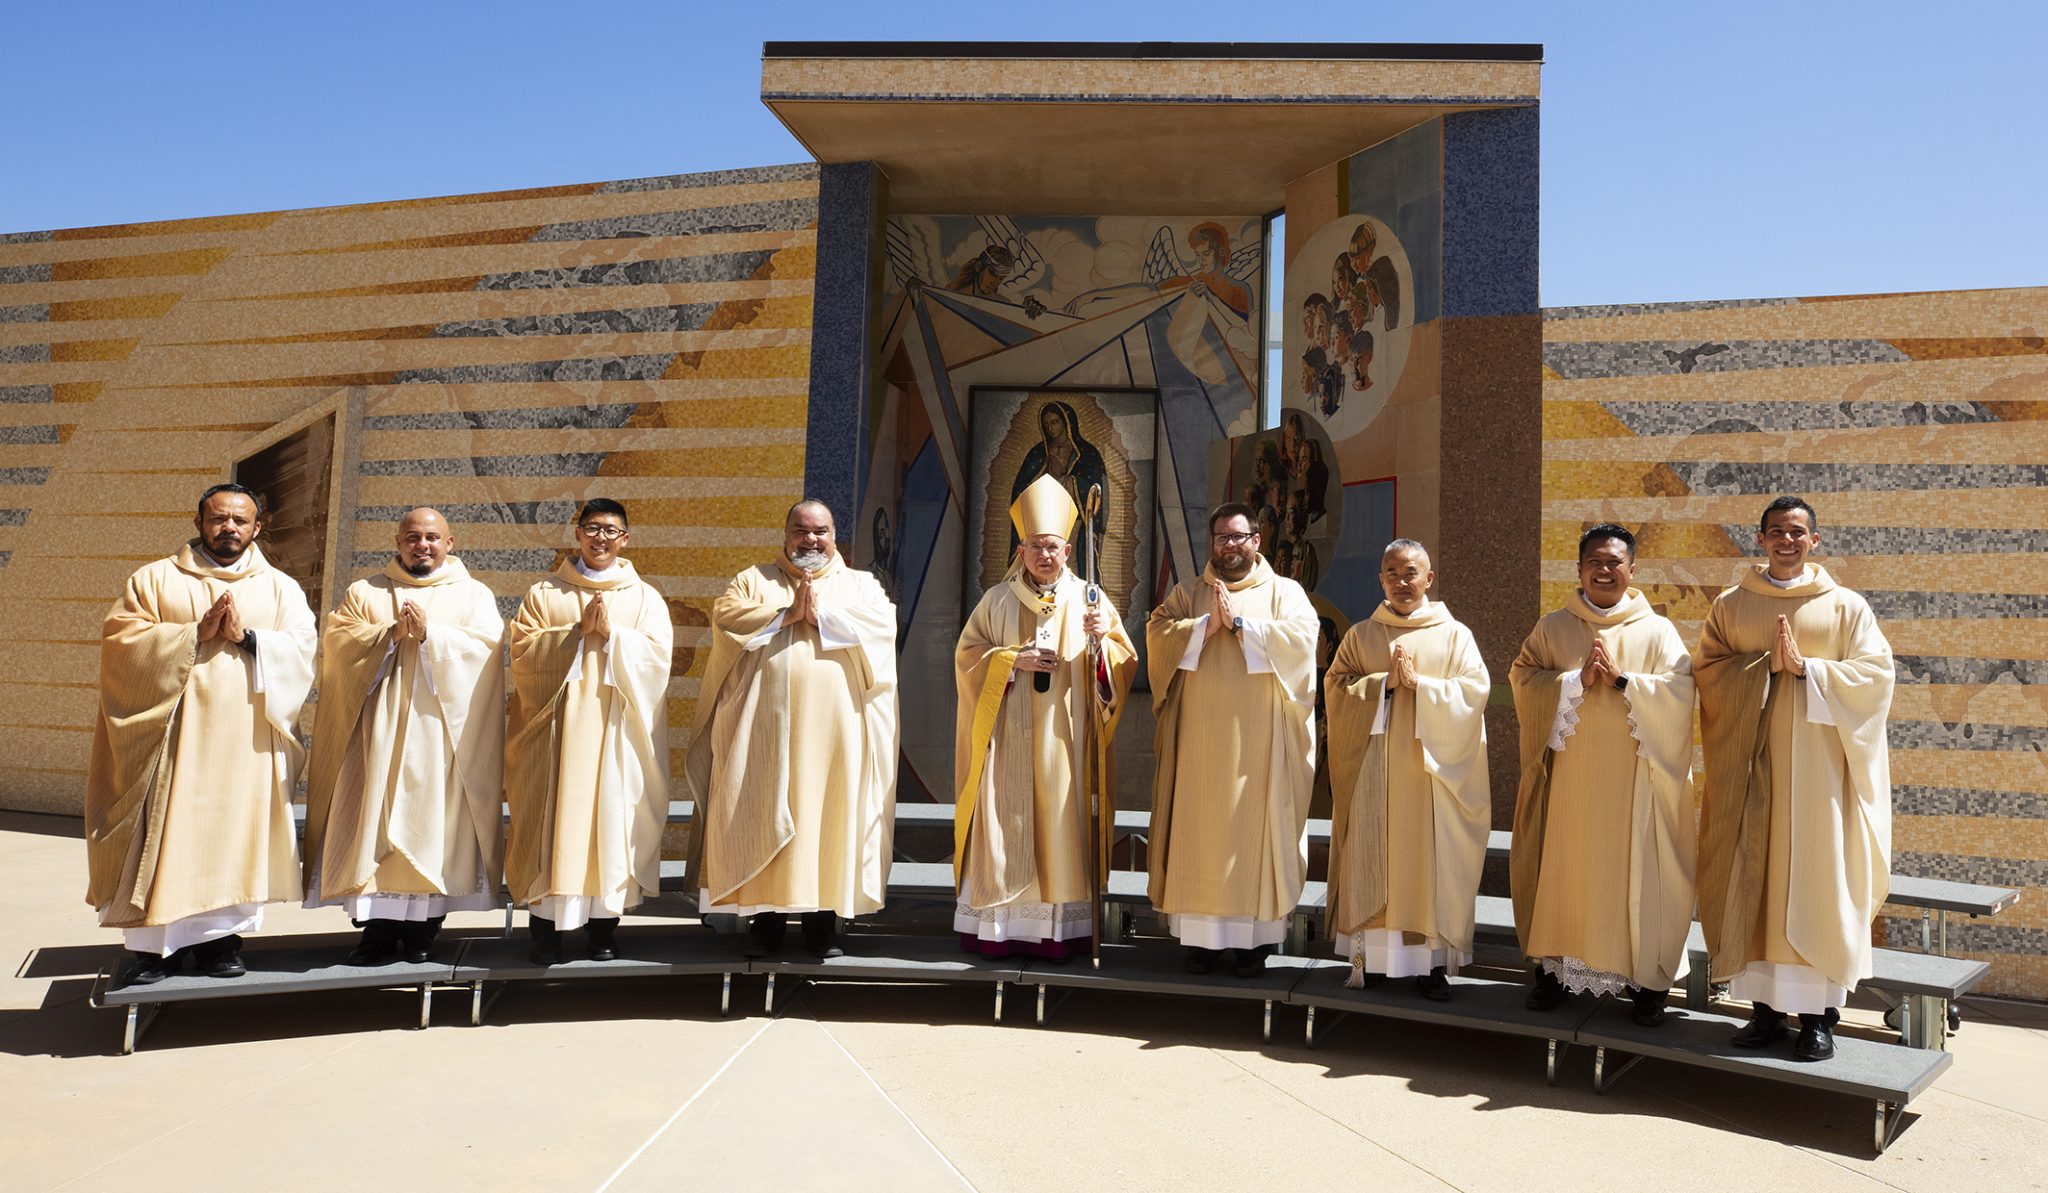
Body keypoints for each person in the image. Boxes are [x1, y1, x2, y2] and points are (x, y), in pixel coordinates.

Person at [85, 484, 317, 984]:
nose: (228, 528)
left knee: (231, 838)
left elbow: (302, 652)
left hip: (244, 743)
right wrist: (194, 634)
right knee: (163, 835)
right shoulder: (153, 580)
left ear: (258, 528)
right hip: (172, 741)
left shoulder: (279, 588)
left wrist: (245, 637)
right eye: (218, 519)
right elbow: (121, 643)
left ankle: (221, 945)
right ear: (198, 523)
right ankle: (154, 951)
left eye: (240, 521)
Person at [1698, 496, 1894, 1062]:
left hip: (1820, 777)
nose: (1787, 540)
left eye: (1797, 532)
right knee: (1754, 879)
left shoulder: (1847, 607)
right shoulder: (1732, 606)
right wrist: (1762, 668)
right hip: (1752, 771)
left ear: (1816, 540)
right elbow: (1707, 672)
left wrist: (1808, 669)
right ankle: (1762, 1011)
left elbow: (1877, 678)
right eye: (1776, 531)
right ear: (1759, 540)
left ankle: (1817, 1019)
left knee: (1817, 881)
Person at [686, 500, 900, 959]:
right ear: (785, 535)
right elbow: (726, 617)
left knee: (827, 820)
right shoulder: (754, 580)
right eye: (801, 531)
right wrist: (786, 613)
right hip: (765, 733)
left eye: (820, 531)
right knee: (765, 812)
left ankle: (823, 927)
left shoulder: (860, 585)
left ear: (834, 534)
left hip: (835, 735)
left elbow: (882, 626)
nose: (811, 540)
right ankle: (767, 927)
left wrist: (822, 616)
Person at [1510, 525, 1696, 1025]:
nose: (1604, 569)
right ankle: (1553, 972)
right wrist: (1573, 681)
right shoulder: (1553, 627)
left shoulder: (1656, 631)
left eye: (1615, 562)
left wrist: (1622, 681)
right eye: (1595, 560)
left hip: (1633, 786)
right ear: (1579, 569)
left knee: (1635, 876)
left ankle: (1644, 985)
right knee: (1564, 868)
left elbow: (1681, 692)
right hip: (1569, 785)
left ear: (1632, 571)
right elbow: (1523, 678)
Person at [303, 509, 506, 966]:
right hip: (378, 736)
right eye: (412, 537)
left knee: (432, 830)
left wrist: (433, 635)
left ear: (450, 542)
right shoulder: (366, 592)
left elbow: (487, 650)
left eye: (432, 537)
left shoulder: (473, 596)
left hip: (441, 738)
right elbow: (339, 645)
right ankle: (375, 934)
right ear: (397, 541)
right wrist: (388, 636)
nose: (422, 545)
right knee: (376, 828)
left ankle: (423, 932)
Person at [953, 476, 1137, 960]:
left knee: (1061, 827)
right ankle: (1002, 930)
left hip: (1067, 745)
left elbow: (1121, 667)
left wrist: (1103, 647)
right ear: (1021, 548)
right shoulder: (996, 600)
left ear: (1069, 549)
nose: (1044, 555)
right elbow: (967, 659)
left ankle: (1058, 933)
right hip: (1007, 739)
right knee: (1005, 824)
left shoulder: (1091, 600)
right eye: (1035, 546)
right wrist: (1011, 659)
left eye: (1052, 546)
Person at [1144, 503, 1318, 977]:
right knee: (1199, 833)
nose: (1229, 545)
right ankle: (1202, 943)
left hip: (1258, 749)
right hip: (1199, 747)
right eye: (1221, 537)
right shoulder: (1188, 593)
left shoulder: (1286, 593)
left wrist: (1241, 625)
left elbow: (1305, 643)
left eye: (1239, 536)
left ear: (1257, 540)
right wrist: (1205, 627)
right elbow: (1157, 635)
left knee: (1251, 835)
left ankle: (1252, 945)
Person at [504, 499, 674, 965]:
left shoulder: (645, 598)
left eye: (611, 531)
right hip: (556, 737)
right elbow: (522, 653)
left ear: (626, 539)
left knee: (609, 824)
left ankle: (603, 931)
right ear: (577, 534)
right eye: (592, 528)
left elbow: (659, 662)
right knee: (552, 824)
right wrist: (575, 634)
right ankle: (546, 936)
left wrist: (615, 637)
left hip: (615, 736)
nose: (601, 538)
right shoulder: (544, 593)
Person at [1322, 540, 1490, 999]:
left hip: (1429, 779)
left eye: (1410, 571)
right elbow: (1335, 688)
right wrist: (1383, 685)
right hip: (1374, 772)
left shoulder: (1455, 636)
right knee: (1374, 857)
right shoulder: (1362, 635)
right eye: (1391, 572)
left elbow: (1474, 694)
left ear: (1428, 578)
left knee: (1426, 864)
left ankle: (1429, 967)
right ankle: (1372, 960)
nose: (1401, 580)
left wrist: (1424, 688)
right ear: (1380, 580)